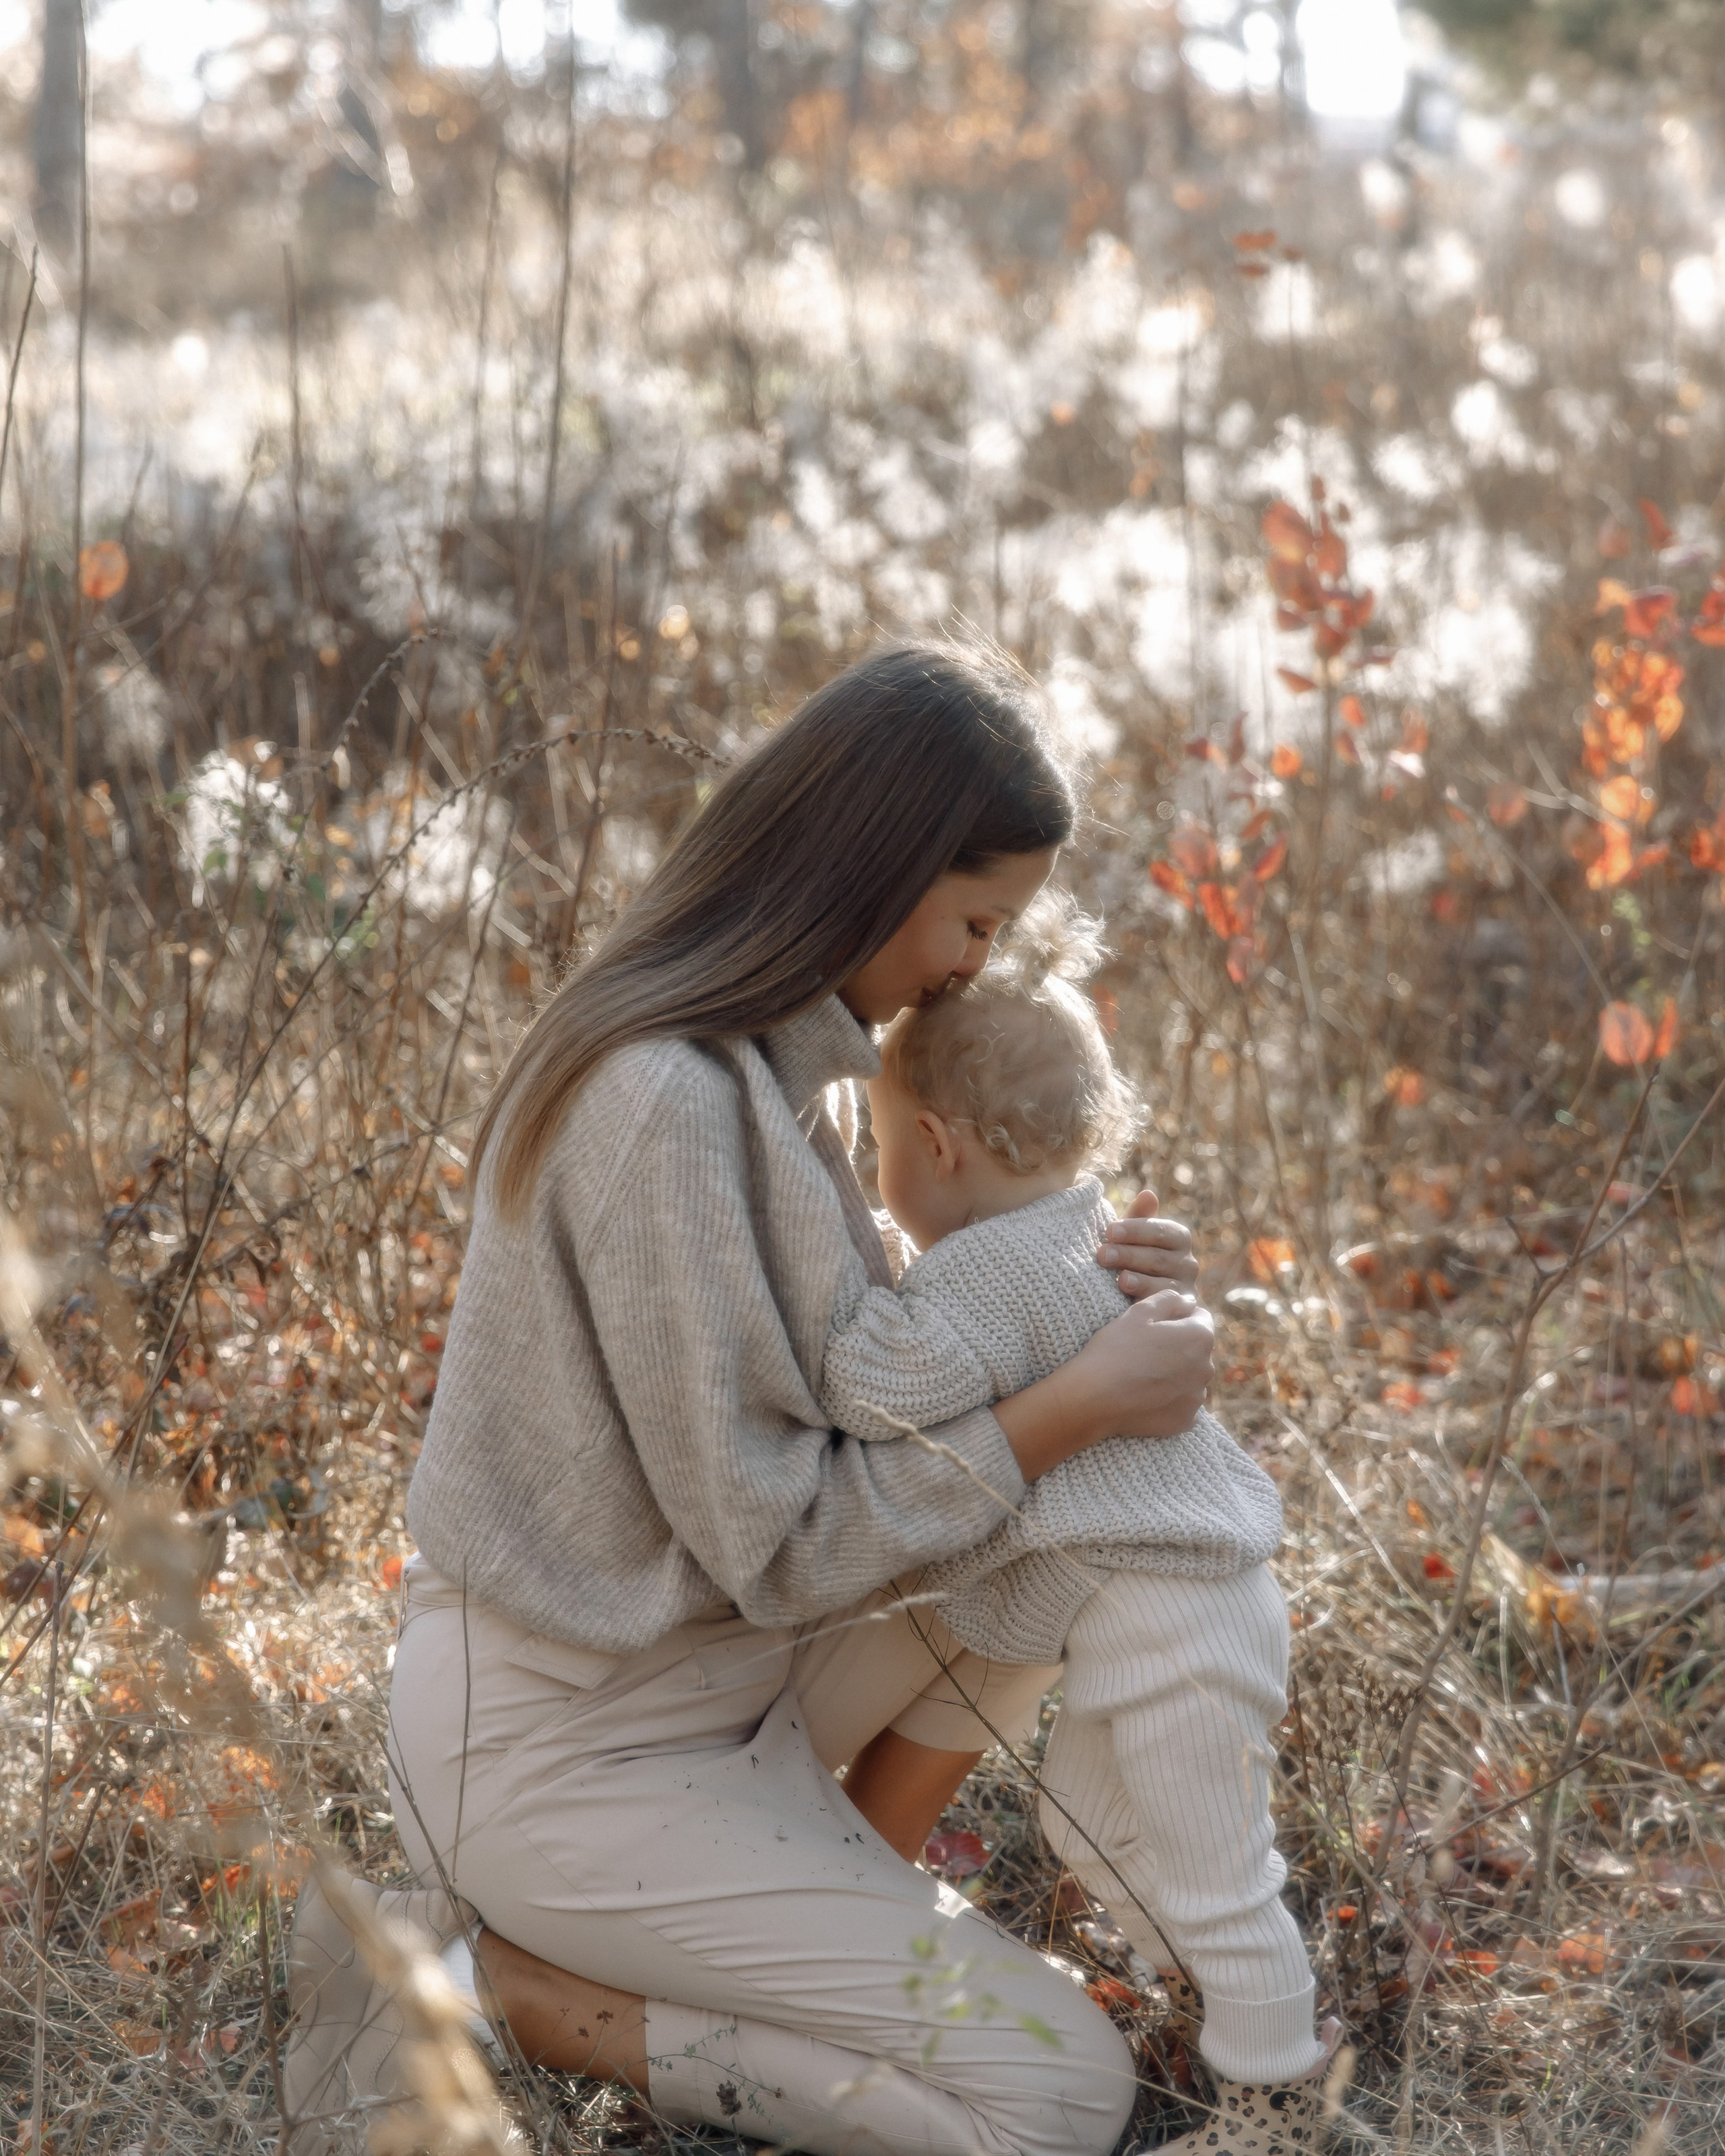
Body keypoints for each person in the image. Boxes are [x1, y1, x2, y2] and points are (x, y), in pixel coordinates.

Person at [283, 641, 1216, 2156]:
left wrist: (1070, 1270)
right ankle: (497, 1982)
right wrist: (1074, 1401)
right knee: (1060, 2093)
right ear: (878, 866)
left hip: (716, 1681)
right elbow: (776, 1539)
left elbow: (856, 1363)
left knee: (1061, 1545)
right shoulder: (661, 1100)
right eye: (975, 918)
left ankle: (823, 1879)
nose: (977, 964)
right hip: (568, 1748)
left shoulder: (784, 1069)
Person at [815, 922, 1340, 2155]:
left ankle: (1282, 2107)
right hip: (1170, 1610)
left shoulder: (988, 1276)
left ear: (933, 1147)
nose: (884, 1175)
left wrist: (838, 1256)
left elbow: (873, 1387)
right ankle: (1221, 2013)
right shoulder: (1086, 1231)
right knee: (1087, 1826)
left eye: (883, 1152)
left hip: (1180, 1618)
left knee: (1219, 1875)